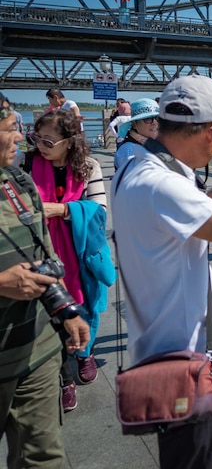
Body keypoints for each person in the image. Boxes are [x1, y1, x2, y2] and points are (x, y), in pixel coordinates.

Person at [112, 75, 212, 468]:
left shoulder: (139, 164)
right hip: (185, 361)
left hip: (175, 352)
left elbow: (197, 213)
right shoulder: (160, 184)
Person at [0, 92, 90, 467]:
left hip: (36, 350)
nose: (21, 138)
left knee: (43, 457)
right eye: (9, 129)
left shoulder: (17, 184)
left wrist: (67, 310)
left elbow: (45, 255)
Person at [24, 110, 109, 412]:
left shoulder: (89, 167)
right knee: (51, 315)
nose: (42, 147)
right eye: (37, 139)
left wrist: (60, 210)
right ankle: (65, 379)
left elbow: (99, 212)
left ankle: (85, 353)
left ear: (70, 142)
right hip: (43, 253)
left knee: (85, 305)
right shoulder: (27, 165)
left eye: (49, 141)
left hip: (80, 253)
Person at [113, 98, 160, 169]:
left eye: (157, 118)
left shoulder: (151, 145)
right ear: (134, 124)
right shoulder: (129, 150)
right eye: (148, 119)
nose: (155, 123)